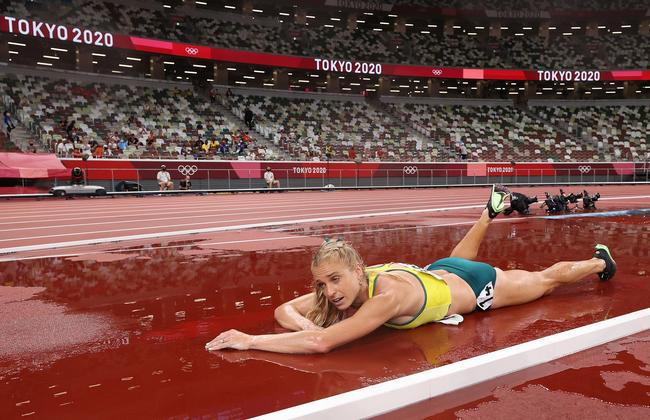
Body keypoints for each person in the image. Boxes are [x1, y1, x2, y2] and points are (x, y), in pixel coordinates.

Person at [205, 185, 617, 354]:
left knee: (543, 282)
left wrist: (250, 340)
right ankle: (488, 214)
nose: (329, 293)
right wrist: (306, 326)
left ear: (358, 270)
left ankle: (601, 262)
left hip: (478, 287)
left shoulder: (387, 297)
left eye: (335, 280)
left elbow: (322, 345)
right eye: (322, 284)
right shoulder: (350, 286)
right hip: (441, 269)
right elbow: (282, 311)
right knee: (456, 260)